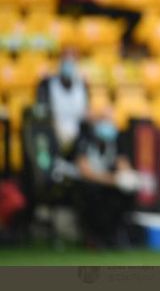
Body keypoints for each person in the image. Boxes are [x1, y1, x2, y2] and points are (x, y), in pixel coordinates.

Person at [72, 109, 140, 248]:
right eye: (104, 120)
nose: (107, 125)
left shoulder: (117, 140)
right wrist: (113, 180)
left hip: (108, 184)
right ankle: (94, 237)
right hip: (87, 184)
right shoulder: (84, 140)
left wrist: (127, 178)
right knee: (92, 195)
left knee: (126, 194)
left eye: (110, 121)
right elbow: (85, 171)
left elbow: (123, 165)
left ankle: (115, 234)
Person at [35, 49, 89, 158]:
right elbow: (42, 110)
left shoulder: (82, 85)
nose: (69, 63)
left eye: (72, 59)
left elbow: (85, 112)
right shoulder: (47, 83)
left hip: (77, 134)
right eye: (65, 59)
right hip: (53, 130)